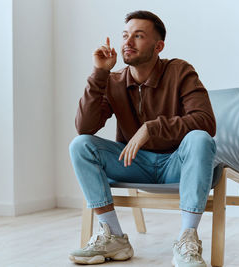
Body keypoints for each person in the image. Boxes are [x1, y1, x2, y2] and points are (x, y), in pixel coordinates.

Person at [68, 10, 217, 267]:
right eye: (125, 35)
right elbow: (85, 127)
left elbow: (206, 121)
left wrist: (152, 127)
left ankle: (187, 239)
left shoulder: (180, 71)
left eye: (138, 36)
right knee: (80, 145)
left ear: (158, 46)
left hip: (176, 165)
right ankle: (114, 236)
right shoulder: (113, 81)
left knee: (201, 139)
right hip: (133, 163)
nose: (127, 42)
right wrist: (99, 74)